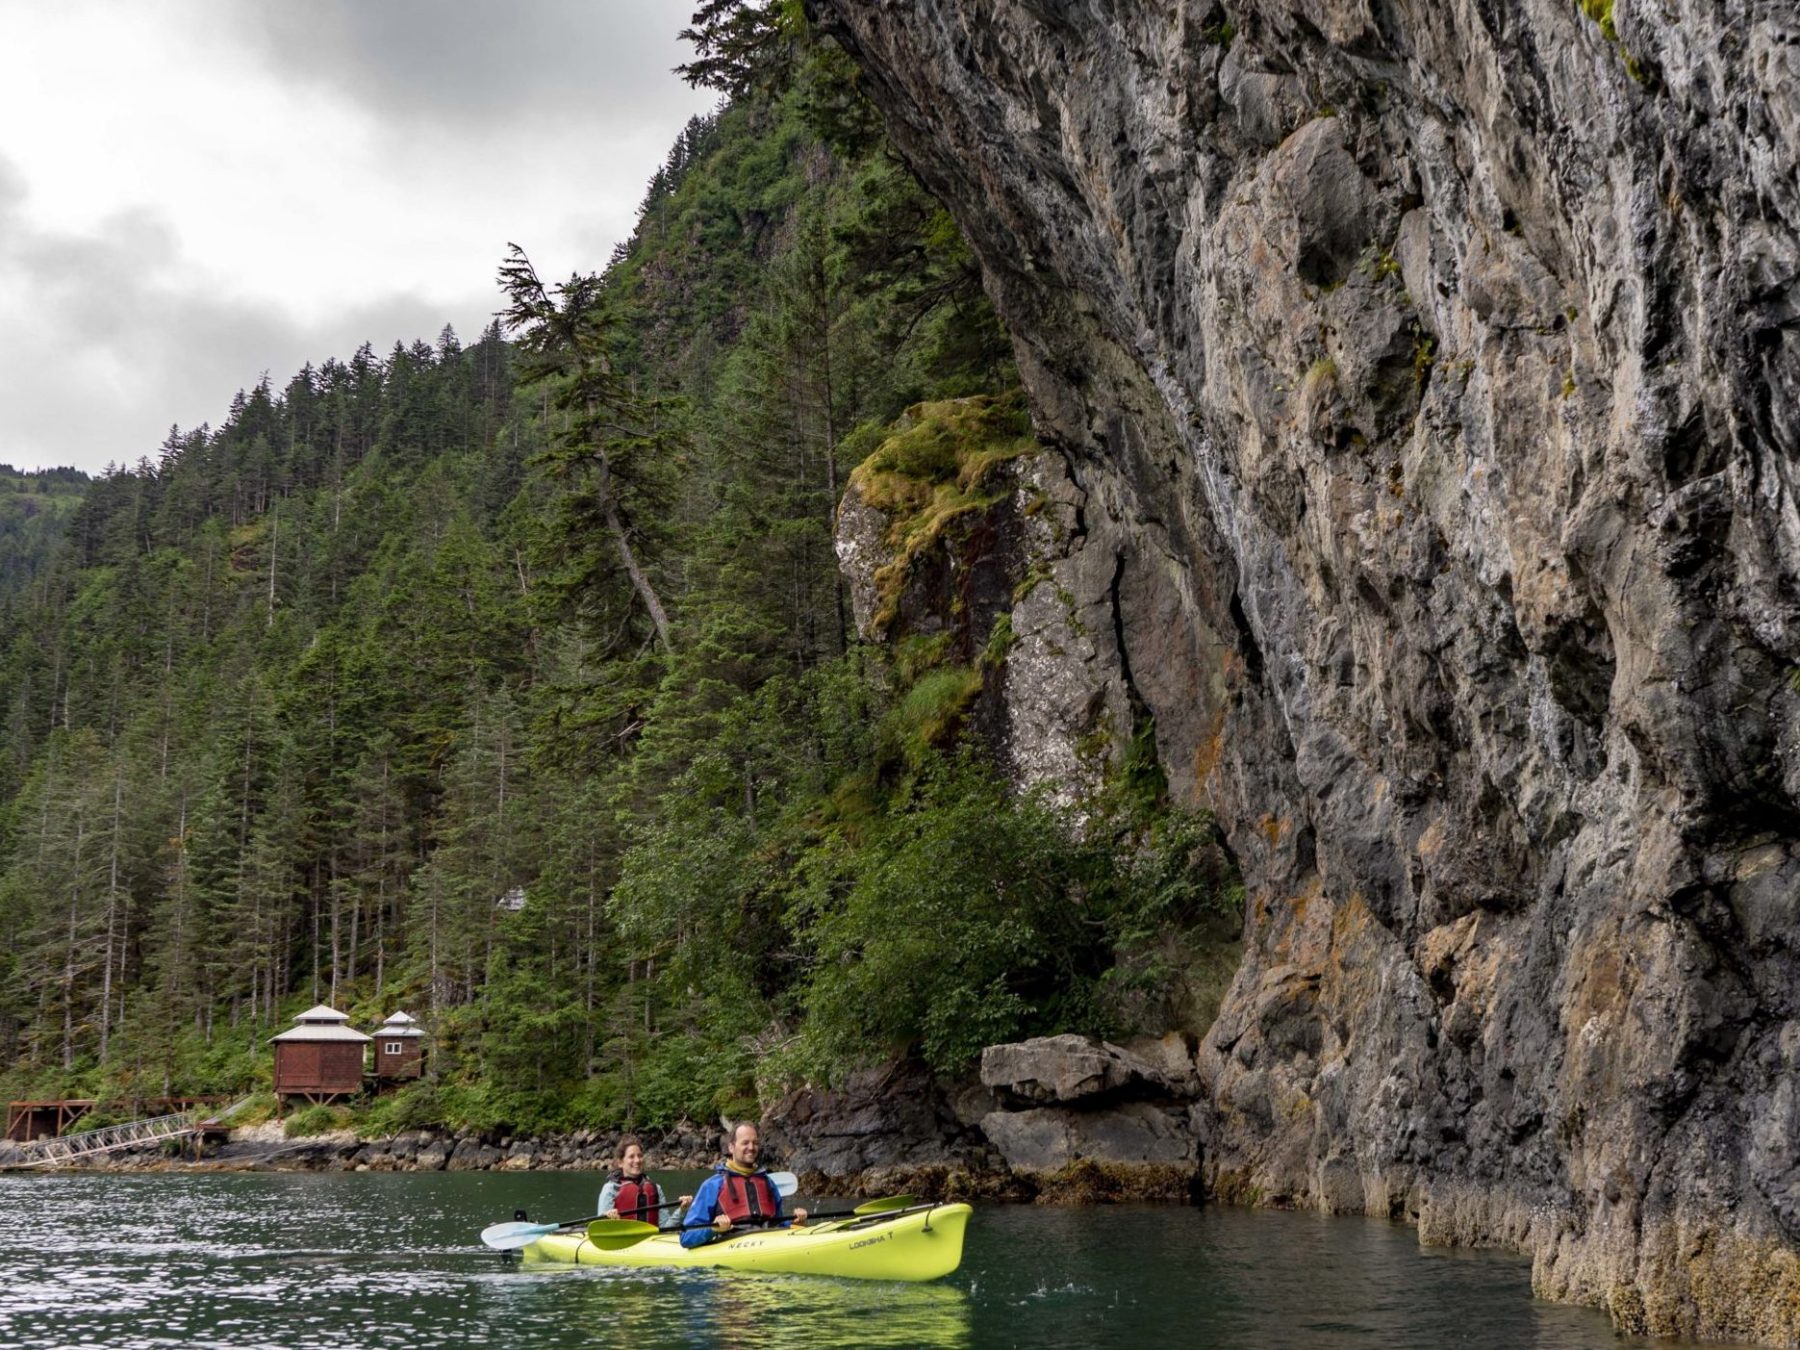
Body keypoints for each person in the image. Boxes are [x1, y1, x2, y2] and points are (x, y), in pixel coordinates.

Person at [680, 1121, 807, 1248]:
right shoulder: (712, 1186)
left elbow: (778, 1223)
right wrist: (713, 1228)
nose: (751, 1147)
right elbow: (686, 1237)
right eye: (745, 1143)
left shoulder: (768, 1183)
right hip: (732, 1244)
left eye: (755, 1143)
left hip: (770, 1239)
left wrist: (795, 1222)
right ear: (731, 1147)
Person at [596, 1135, 692, 1230]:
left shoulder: (656, 1189)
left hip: (651, 1242)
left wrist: (682, 1210)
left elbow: (665, 1228)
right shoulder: (611, 1189)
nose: (637, 1160)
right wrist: (609, 1221)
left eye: (640, 1156)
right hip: (622, 1241)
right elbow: (601, 1229)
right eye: (631, 1157)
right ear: (620, 1162)